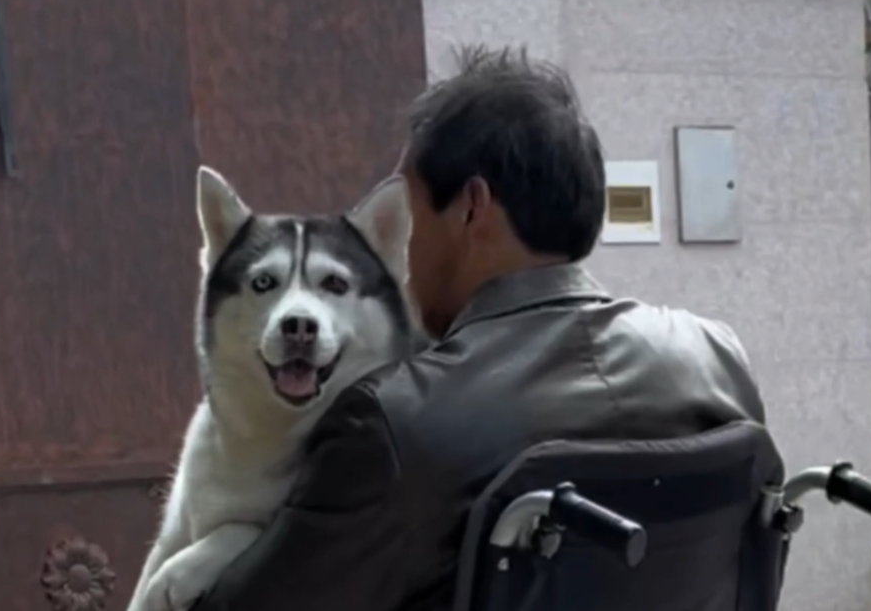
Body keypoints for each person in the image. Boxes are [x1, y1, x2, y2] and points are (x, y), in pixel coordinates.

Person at [191, 46, 765, 611]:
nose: (403, 254)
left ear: (471, 208)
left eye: (411, 217)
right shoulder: (718, 360)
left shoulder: (397, 423)